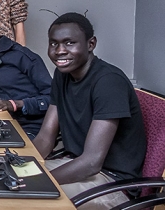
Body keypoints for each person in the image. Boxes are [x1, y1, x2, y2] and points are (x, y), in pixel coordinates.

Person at [32, 13, 146, 209]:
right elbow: (45, 139)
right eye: (54, 44)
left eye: (69, 43)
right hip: (75, 166)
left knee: (25, 199)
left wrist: (35, 183)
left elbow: (92, 162)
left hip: (111, 183)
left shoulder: (108, 82)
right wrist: (17, 166)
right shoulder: (62, 75)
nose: (60, 51)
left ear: (91, 44)